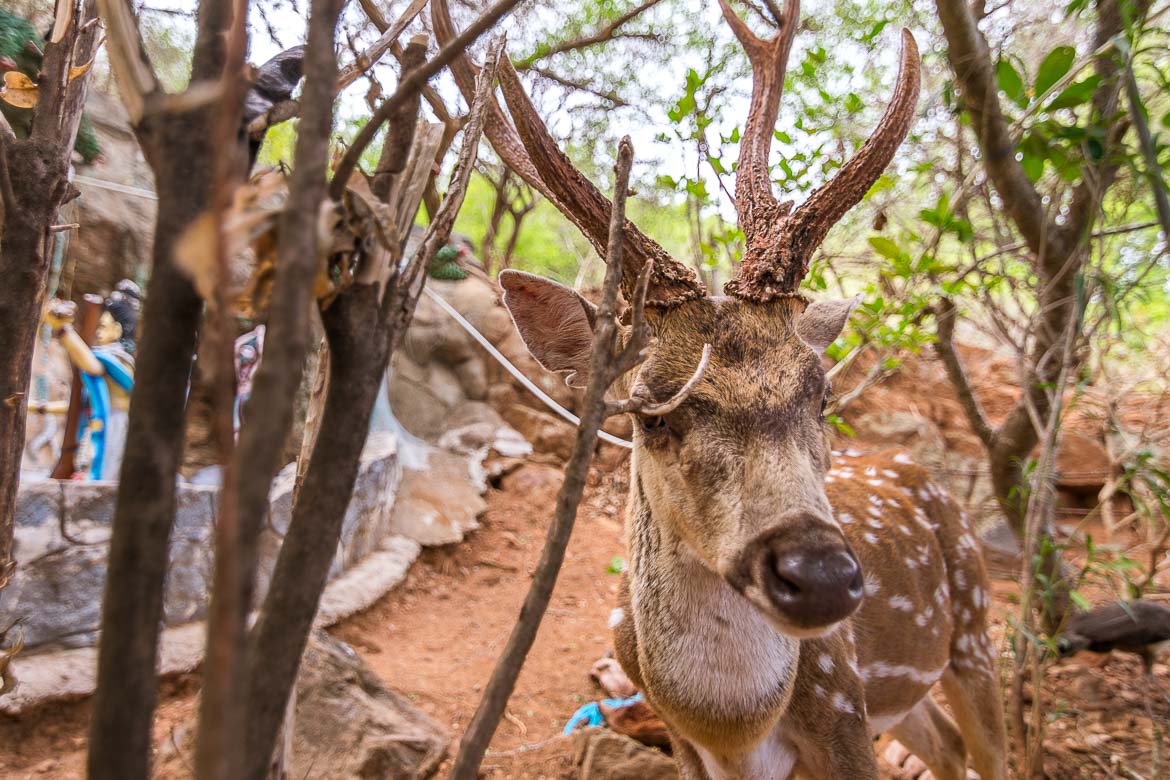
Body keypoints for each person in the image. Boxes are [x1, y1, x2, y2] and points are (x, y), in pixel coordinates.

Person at [36, 280, 141, 479]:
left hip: (114, 427)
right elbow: (79, 405)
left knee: (104, 474)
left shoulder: (118, 360)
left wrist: (65, 331)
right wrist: (41, 408)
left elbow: (91, 365)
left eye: (103, 325)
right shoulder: (100, 358)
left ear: (118, 330)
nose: (99, 331)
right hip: (95, 426)